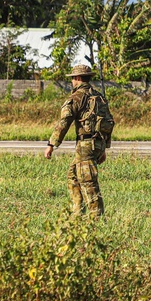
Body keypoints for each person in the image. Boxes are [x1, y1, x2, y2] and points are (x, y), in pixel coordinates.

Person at [44, 64, 111, 217]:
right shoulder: (99, 96)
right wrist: (103, 148)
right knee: (73, 176)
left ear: (78, 78)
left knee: (89, 183)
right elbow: (108, 123)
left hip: (85, 145)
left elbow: (64, 122)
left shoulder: (77, 97)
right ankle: (77, 214)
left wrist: (51, 144)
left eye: (73, 78)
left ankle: (97, 220)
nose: (72, 82)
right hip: (97, 144)